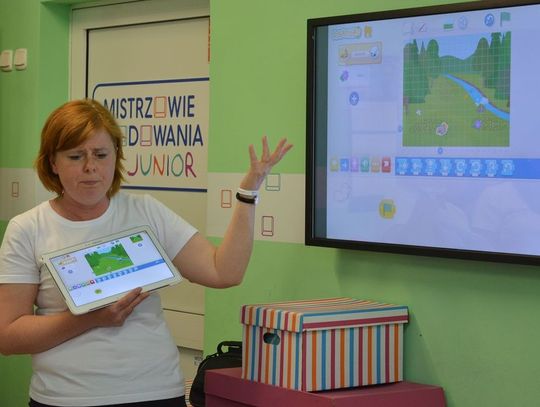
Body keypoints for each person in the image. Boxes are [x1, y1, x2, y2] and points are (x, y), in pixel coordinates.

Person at [0, 99, 292, 407]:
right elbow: (7, 335)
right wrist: (91, 319)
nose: (90, 167)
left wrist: (248, 192)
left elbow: (224, 272)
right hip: (65, 398)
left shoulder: (146, 211)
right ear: (52, 163)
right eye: (75, 156)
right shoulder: (28, 228)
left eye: (101, 155)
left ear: (116, 155)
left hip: (156, 392)